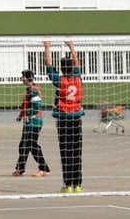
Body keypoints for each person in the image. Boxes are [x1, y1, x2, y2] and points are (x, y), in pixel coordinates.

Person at [49, 40, 85, 193]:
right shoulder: (77, 78)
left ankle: (68, 185)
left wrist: (47, 46)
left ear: (61, 69)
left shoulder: (60, 81)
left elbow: (49, 66)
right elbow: (77, 62)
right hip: (76, 117)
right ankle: (78, 185)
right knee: (77, 151)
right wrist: (71, 46)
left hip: (63, 118)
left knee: (65, 151)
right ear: (72, 68)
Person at [13, 70, 50, 177]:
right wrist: (21, 116)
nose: (21, 79)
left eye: (22, 77)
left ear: (26, 78)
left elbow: (37, 106)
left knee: (32, 145)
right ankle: (20, 169)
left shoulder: (33, 90)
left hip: (34, 122)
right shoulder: (29, 90)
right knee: (23, 145)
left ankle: (44, 168)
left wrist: (27, 115)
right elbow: (26, 105)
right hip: (29, 123)